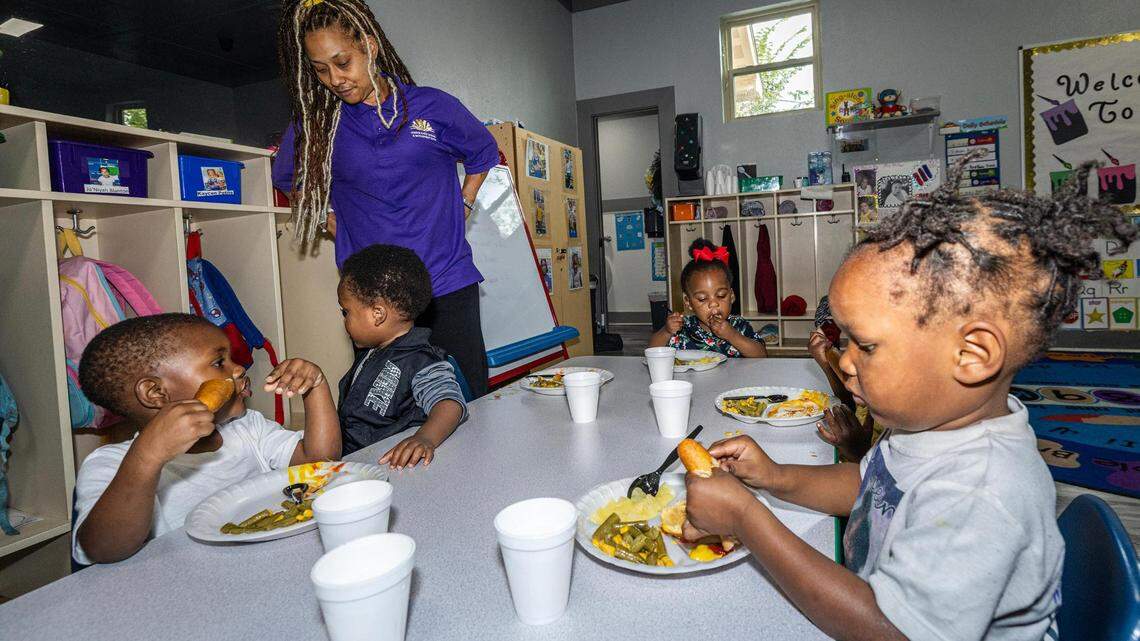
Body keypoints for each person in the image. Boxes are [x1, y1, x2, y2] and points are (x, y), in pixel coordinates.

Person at [682, 158, 1137, 640]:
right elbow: (870, 488)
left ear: (972, 354)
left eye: (867, 345)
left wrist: (747, 520)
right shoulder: (926, 424)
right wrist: (774, 477)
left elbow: (890, 631)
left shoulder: (980, 491)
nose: (847, 362)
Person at [273, 0, 499, 398]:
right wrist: (328, 217)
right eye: (321, 69)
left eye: (343, 62)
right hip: (372, 298)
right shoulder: (320, 124)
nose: (335, 79)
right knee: (381, 414)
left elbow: (483, 152)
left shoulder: (431, 106)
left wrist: (465, 201)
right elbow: (288, 176)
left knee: (467, 401)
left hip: (444, 280)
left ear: (369, 46)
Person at [73, 314, 340, 564]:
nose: (238, 369)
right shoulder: (111, 463)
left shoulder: (246, 428)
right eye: (219, 363)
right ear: (155, 393)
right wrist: (147, 457)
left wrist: (315, 386)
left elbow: (319, 461)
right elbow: (102, 548)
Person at [337, 244, 467, 466]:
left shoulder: (421, 360)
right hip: (356, 462)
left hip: (392, 467)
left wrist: (424, 438)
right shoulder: (370, 353)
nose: (344, 319)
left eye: (346, 311)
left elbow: (449, 403)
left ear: (377, 314)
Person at [649, 238, 767, 357]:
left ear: (731, 295)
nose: (713, 304)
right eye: (702, 299)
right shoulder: (683, 328)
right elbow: (651, 353)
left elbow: (762, 356)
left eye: (721, 295)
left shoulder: (738, 325)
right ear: (688, 301)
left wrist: (732, 335)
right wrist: (666, 331)